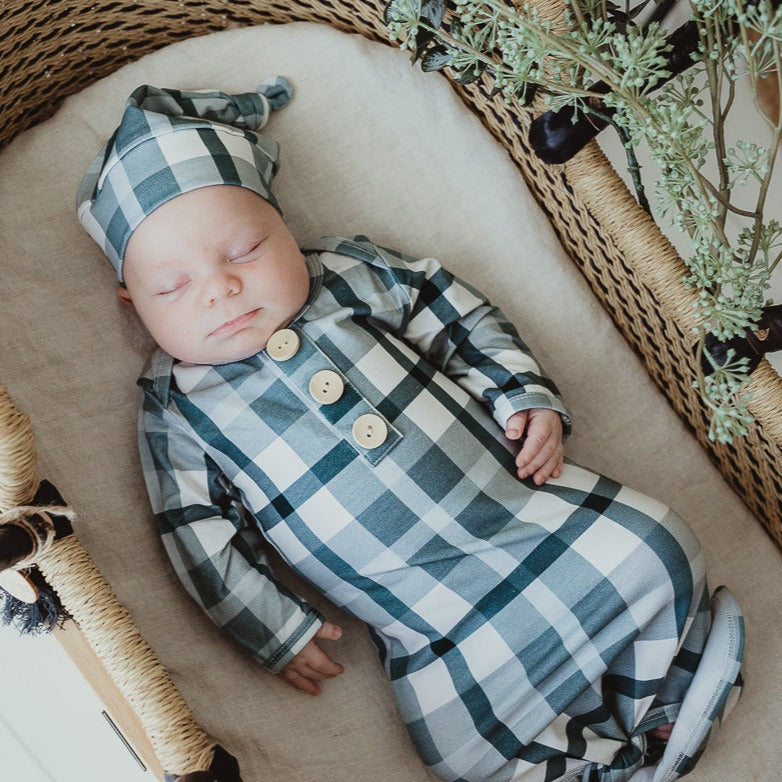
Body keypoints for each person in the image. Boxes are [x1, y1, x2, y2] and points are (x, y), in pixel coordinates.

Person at [76, 80, 744, 782]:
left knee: (656, 545)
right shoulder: (178, 406)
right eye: (171, 287)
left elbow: (457, 315)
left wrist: (521, 395)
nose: (220, 288)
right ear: (132, 304)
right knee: (458, 753)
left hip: (538, 523)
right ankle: (606, 764)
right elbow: (195, 533)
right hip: (434, 626)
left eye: (244, 249)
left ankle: (666, 704)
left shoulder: (348, 278)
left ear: (282, 223)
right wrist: (273, 627)